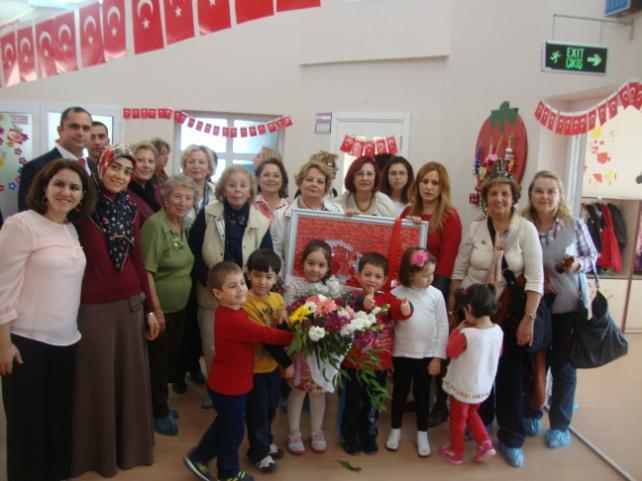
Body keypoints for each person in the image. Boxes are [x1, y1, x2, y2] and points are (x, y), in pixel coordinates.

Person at [0, 159, 95, 481]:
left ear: (82, 195)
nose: (65, 192)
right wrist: (4, 343)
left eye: (74, 187)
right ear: (44, 187)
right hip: (26, 342)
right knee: (27, 429)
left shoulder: (70, 229)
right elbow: (3, 288)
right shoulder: (21, 225)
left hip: (67, 341)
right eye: (59, 184)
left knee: (58, 423)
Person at [70, 145, 161, 478]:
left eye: (127, 170)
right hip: (93, 306)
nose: (121, 175)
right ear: (102, 166)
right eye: (116, 168)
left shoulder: (130, 207)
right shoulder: (82, 207)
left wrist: (151, 309)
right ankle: (96, 454)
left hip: (130, 305)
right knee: (96, 382)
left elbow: (138, 260)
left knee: (129, 381)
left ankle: (129, 450)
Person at [449, 172, 543, 468]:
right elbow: (459, 268)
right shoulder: (477, 227)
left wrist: (529, 318)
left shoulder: (526, 230)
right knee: (477, 369)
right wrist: (455, 308)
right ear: (485, 198)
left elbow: (536, 278)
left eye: (505, 193)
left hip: (509, 312)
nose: (499, 199)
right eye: (493, 194)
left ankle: (512, 438)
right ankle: (482, 423)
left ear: (515, 197)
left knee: (510, 375)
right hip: (475, 312)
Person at [183, 262, 293, 481]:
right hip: (229, 387)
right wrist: (293, 334)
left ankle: (198, 457)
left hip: (230, 383)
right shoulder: (232, 319)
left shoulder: (236, 311)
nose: (241, 288)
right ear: (217, 293)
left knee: (224, 424)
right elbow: (265, 335)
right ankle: (228, 472)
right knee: (233, 432)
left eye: (242, 283)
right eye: (232, 286)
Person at [522, 170, 597, 448]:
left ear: (559, 195)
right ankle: (531, 410)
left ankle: (560, 424)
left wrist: (577, 265)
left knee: (564, 366)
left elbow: (593, 257)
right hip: (534, 306)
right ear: (531, 194)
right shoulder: (523, 223)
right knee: (533, 363)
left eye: (551, 191)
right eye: (539, 190)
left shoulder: (573, 224)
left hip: (568, 305)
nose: (544, 196)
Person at [189, 165, 272, 408]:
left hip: (246, 294)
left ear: (250, 191)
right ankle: (214, 388)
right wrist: (212, 285)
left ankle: (239, 388)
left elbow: (265, 258)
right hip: (211, 292)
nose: (237, 190)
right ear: (223, 189)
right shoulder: (208, 214)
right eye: (231, 184)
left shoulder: (261, 221)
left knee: (242, 346)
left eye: (242, 185)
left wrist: (246, 288)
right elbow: (193, 252)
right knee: (212, 344)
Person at [401, 161, 462, 427]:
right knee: (412, 344)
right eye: (425, 181)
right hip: (408, 289)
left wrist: (440, 295)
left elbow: (447, 261)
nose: (429, 187)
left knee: (435, 345)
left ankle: (440, 404)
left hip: (436, 288)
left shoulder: (450, 216)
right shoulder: (407, 211)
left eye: (434, 183)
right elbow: (400, 250)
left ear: (442, 187)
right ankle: (420, 397)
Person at [140, 175, 198, 436]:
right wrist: (156, 309)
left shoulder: (182, 225)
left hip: (179, 307)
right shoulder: (155, 226)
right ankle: (157, 412)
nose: (183, 202)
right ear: (164, 199)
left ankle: (160, 404)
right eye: (177, 196)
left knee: (169, 360)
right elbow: (146, 271)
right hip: (160, 309)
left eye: (188, 197)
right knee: (157, 364)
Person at [341, 252, 412, 455]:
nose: (372, 280)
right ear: (358, 274)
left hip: (379, 364)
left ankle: (368, 434)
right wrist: (363, 303)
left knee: (373, 403)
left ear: (385, 280)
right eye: (367, 274)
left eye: (377, 276)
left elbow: (399, 311)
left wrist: (407, 309)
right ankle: (349, 436)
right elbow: (346, 309)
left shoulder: (389, 298)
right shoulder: (352, 296)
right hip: (354, 363)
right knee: (353, 403)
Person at [386, 248, 448, 457]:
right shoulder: (396, 293)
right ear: (410, 273)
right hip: (401, 354)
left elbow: (442, 327)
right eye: (425, 275)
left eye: (432, 274)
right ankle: (395, 430)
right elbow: (389, 328)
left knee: (422, 396)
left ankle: (422, 433)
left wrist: (438, 357)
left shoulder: (436, 295)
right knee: (399, 395)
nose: (430, 279)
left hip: (427, 356)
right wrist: (388, 357)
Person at [285, 240, 344, 455]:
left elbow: (336, 317)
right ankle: (293, 431)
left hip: (321, 352)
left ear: (328, 268)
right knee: (299, 390)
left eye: (321, 265)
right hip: (301, 349)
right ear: (302, 263)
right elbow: (290, 318)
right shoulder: (293, 286)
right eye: (311, 263)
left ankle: (317, 430)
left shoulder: (332, 288)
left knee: (319, 391)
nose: (315, 269)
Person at [242, 249, 295, 473]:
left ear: (276, 278)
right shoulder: (246, 303)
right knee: (257, 411)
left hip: (271, 367)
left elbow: (282, 330)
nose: (263, 281)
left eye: (269, 276)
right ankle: (258, 453)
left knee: (271, 407)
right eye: (257, 275)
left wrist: (287, 321)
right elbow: (266, 340)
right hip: (254, 368)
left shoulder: (277, 298)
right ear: (248, 275)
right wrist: (287, 363)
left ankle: (266, 440)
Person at [439, 284, 503, 465]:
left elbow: (450, 351)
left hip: (463, 386)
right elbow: (498, 353)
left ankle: (456, 452)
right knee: (473, 413)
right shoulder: (498, 331)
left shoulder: (467, 334)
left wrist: (456, 330)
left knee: (458, 418)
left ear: (469, 309)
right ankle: (485, 443)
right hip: (482, 386)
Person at [18, 106, 92, 211]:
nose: (80, 133)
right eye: (74, 126)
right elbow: (27, 214)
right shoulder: (37, 167)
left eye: (86, 128)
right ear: (60, 130)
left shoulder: (93, 166)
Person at [272, 160, 343, 268]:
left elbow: (340, 249)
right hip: (290, 281)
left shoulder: (338, 212)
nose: (314, 184)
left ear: (325, 187)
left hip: (327, 281)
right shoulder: (280, 215)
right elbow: (277, 254)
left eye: (320, 182)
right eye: (309, 180)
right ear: (300, 183)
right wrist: (285, 281)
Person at [182, 144, 217, 228]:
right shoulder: (175, 192)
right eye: (191, 162)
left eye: (201, 162)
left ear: (209, 168)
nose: (196, 166)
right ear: (185, 167)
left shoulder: (218, 194)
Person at [129, 141, 162, 225]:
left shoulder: (158, 191)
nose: (146, 165)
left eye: (150, 161)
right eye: (140, 160)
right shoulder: (124, 194)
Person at [254, 157, 290, 223]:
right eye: (266, 175)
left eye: (276, 176)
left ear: (283, 180)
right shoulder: (250, 205)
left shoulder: (289, 208)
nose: (271, 179)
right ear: (258, 179)